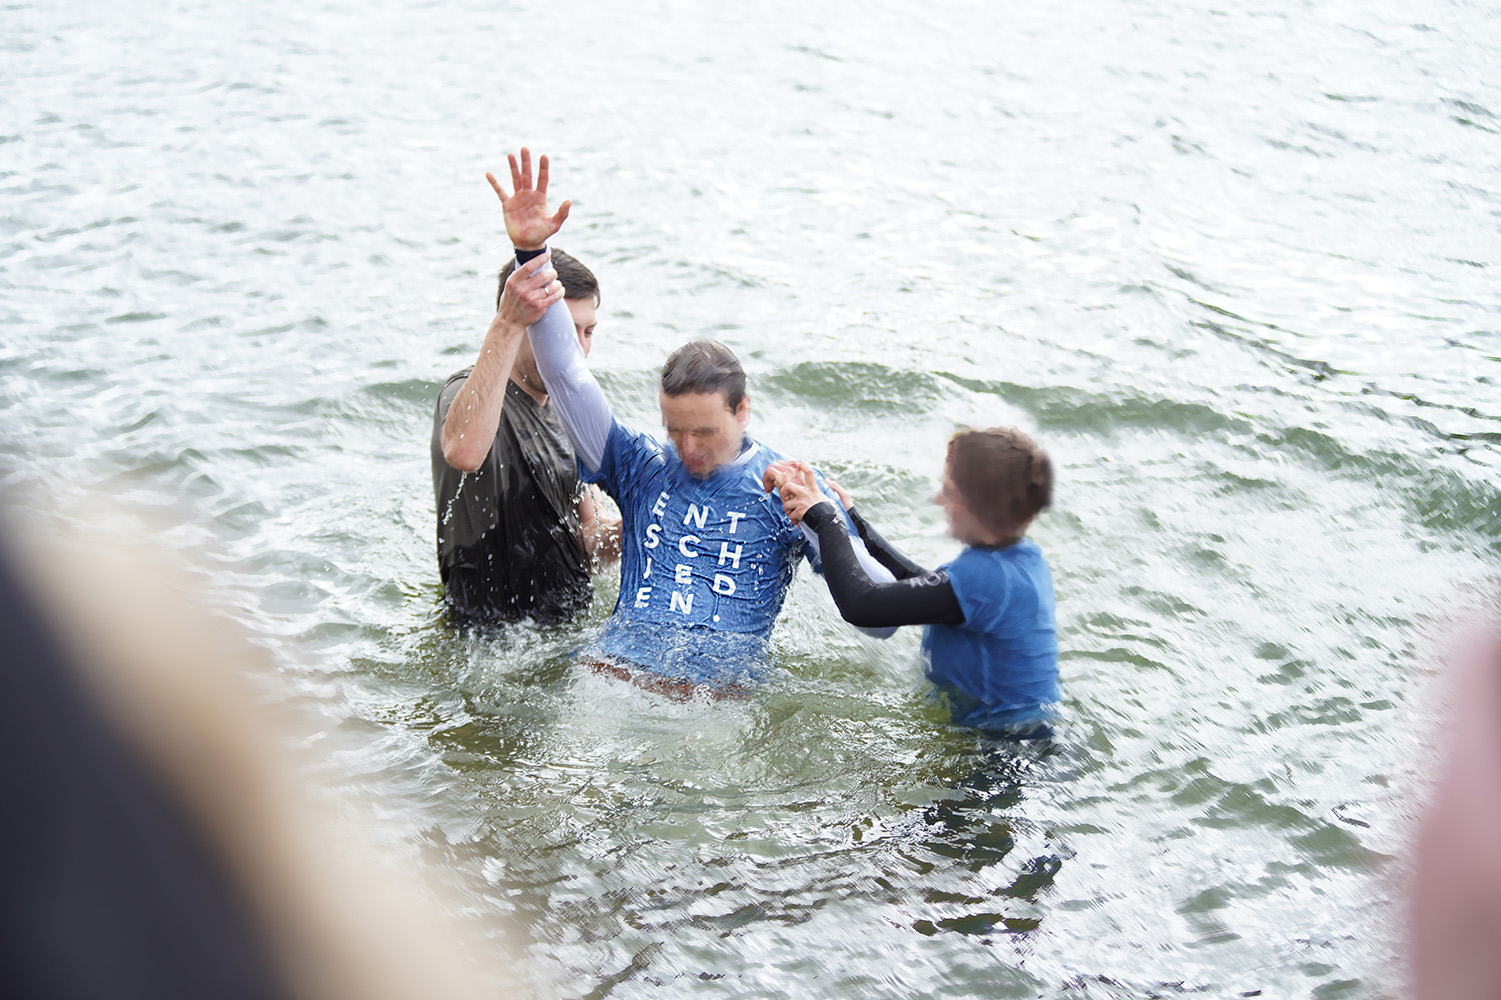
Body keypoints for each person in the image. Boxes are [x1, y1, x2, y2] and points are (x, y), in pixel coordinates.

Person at [490, 149, 895, 688]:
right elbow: (566, 371)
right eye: (674, 430)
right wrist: (530, 251)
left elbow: (884, 618)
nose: (687, 448)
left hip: (715, 707)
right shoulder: (635, 464)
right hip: (613, 681)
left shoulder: (791, 489)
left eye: (704, 432)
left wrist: (825, 518)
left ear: (742, 411)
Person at [765, 427, 1059, 732]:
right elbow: (918, 583)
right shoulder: (1016, 560)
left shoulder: (986, 576)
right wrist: (856, 523)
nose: (939, 500)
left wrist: (824, 518)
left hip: (1008, 757)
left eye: (949, 492)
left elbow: (862, 605)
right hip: (1023, 741)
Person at [430, 218, 619, 625]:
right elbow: (464, 451)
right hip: (487, 637)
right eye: (568, 331)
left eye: (589, 332)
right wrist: (507, 323)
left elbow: (589, 542)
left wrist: (647, 518)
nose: (580, 349)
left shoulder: (569, 408)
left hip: (565, 635)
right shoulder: (464, 392)